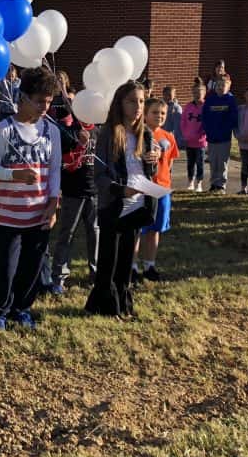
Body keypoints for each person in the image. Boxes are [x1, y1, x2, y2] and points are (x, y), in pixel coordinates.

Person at [0, 67, 61, 331]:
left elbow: (54, 170)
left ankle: (22, 308)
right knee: (8, 266)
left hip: (39, 213)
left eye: (49, 101)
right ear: (23, 97)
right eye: (39, 101)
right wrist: (15, 175)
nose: (44, 107)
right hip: (9, 215)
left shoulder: (51, 131)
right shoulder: (4, 129)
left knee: (32, 265)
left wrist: (53, 204)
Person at [86, 81, 159, 319]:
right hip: (114, 204)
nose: (138, 107)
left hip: (138, 204)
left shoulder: (145, 133)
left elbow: (149, 171)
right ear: (120, 103)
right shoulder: (108, 133)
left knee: (127, 258)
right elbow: (99, 175)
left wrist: (154, 161)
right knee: (109, 258)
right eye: (132, 101)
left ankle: (123, 302)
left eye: (141, 101)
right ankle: (105, 305)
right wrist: (120, 190)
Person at [49, 113, 97, 296]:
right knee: (67, 234)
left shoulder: (100, 132)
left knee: (95, 233)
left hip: (95, 192)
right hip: (73, 193)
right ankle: (59, 276)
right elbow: (67, 164)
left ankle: (96, 273)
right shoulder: (68, 131)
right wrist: (80, 145)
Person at [137, 97, 178, 282]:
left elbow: (170, 162)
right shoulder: (137, 135)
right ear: (145, 114)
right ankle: (132, 267)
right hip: (142, 188)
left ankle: (149, 266)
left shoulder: (168, 136)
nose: (159, 116)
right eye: (154, 112)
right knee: (138, 229)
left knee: (155, 229)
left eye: (162, 113)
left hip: (162, 189)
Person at [202, 73, 238, 193]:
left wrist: (226, 128)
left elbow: (233, 117)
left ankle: (221, 184)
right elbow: (205, 116)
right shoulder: (210, 99)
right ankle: (213, 183)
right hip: (212, 136)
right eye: (218, 85)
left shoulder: (230, 100)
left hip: (224, 137)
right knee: (213, 161)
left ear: (228, 86)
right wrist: (207, 130)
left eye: (223, 85)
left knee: (222, 162)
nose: (220, 87)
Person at [180, 79, 207, 192]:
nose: (197, 95)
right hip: (189, 141)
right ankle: (190, 182)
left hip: (200, 141)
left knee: (200, 163)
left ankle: (199, 183)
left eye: (199, 92)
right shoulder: (188, 106)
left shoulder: (206, 106)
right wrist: (185, 135)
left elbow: (208, 123)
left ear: (204, 93)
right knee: (190, 163)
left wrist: (203, 134)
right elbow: (183, 121)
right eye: (195, 92)